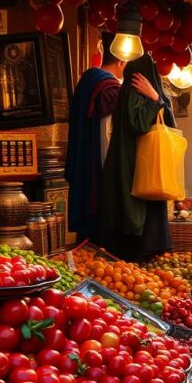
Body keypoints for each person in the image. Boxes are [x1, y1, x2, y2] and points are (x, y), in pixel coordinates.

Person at [94, 55, 175, 261]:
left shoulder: (135, 91)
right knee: (136, 243)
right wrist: (155, 99)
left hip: (139, 169)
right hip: (137, 171)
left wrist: (156, 99)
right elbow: (138, 123)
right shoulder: (133, 90)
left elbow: (164, 119)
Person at [66, 33, 126, 241]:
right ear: (121, 61)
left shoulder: (85, 83)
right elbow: (108, 140)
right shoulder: (110, 90)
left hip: (82, 171)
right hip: (99, 178)